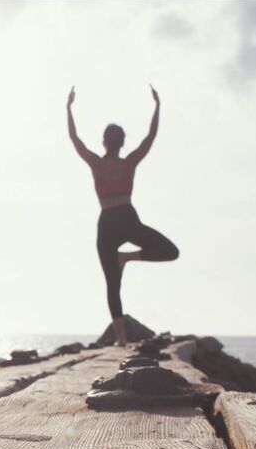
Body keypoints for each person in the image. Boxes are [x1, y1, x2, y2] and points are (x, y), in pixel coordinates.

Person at [67, 85, 179, 346]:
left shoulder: (96, 163)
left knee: (112, 282)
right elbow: (150, 137)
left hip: (108, 222)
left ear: (105, 141)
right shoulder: (129, 163)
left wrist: (68, 109)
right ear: (122, 142)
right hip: (127, 219)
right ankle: (127, 257)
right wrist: (157, 107)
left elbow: (75, 140)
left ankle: (121, 339)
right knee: (170, 251)